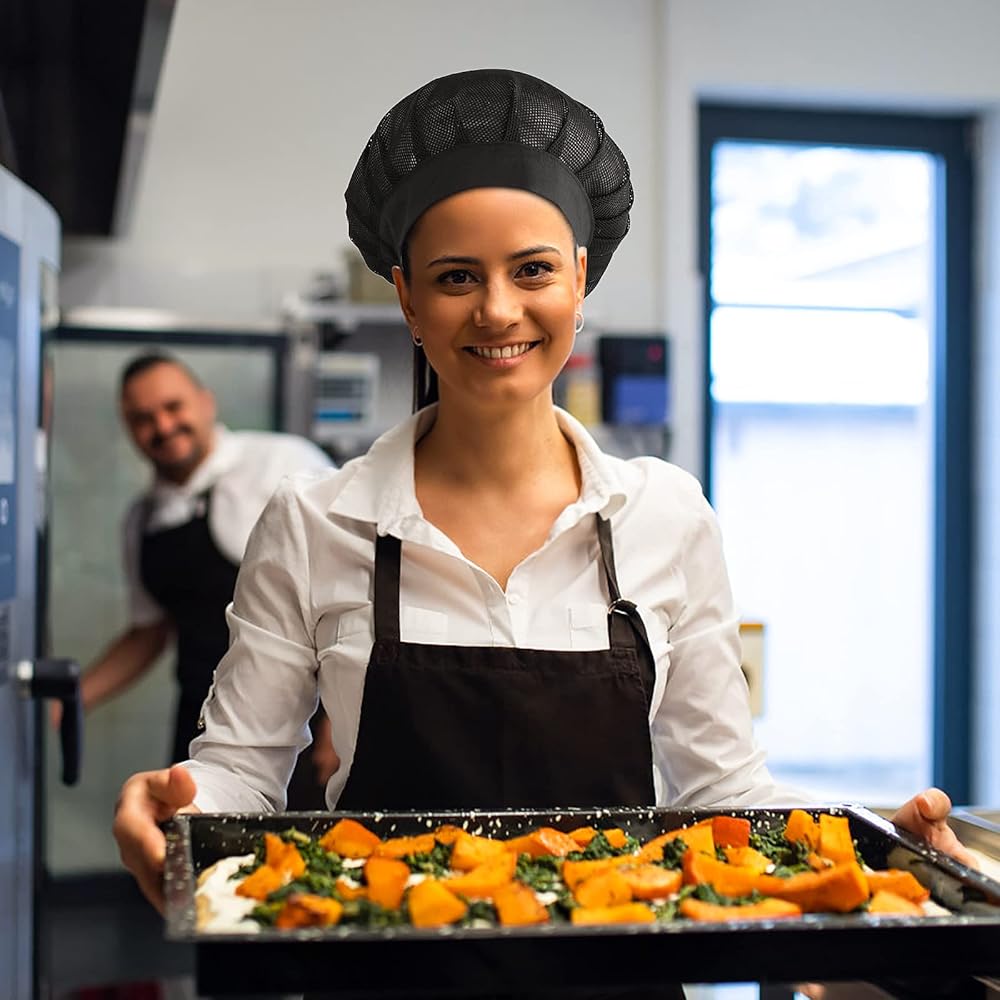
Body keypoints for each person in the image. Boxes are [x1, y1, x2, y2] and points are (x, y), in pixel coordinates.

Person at [112, 68, 976, 959]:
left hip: (621, 978)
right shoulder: (314, 522)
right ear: (407, 298)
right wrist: (178, 808)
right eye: (456, 277)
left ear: (580, 280)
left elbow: (722, 795)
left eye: (532, 270)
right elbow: (241, 774)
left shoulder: (665, 514)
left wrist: (884, 870)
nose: (498, 309)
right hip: (378, 973)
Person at [72, 352, 338, 798]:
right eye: (143, 418)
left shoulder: (281, 462)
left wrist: (340, 719)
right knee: (195, 854)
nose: (162, 426)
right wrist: (74, 700)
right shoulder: (142, 519)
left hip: (295, 729)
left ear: (206, 403)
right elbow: (149, 633)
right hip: (199, 721)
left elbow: (350, 592)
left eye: (173, 407)